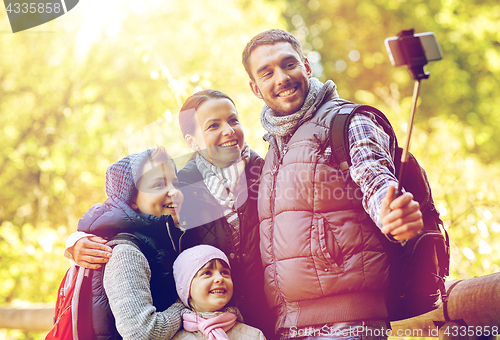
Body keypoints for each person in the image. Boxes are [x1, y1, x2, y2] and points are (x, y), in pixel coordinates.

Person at [241, 29, 424, 339]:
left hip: (349, 326)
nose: (281, 77)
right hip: (289, 328)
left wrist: (391, 213)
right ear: (255, 88)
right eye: (267, 72)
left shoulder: (348, 120)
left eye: (289, 64)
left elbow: (375, 179)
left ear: (307, 67)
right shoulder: (272, 150)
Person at [65, 90, 275, 339]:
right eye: (213, 125)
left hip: (265, 316)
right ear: (192, 141)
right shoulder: (183, 185)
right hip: (207, 323)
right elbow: (118, 212)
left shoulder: (268, 173)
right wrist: (75, 242)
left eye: (233, 120)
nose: (228, 131)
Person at [75, 146, 186, 339]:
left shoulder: (168, 240)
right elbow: (142, 333)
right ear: (132, 199)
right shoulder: (126, 253)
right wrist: (186, 305)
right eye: (159, 185)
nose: (173, 191)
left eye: (175, 183)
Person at [171, 244, 266, 340]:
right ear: (186, 288)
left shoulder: (254, 336)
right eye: (207, 273)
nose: (220, 278)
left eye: (225, 272)